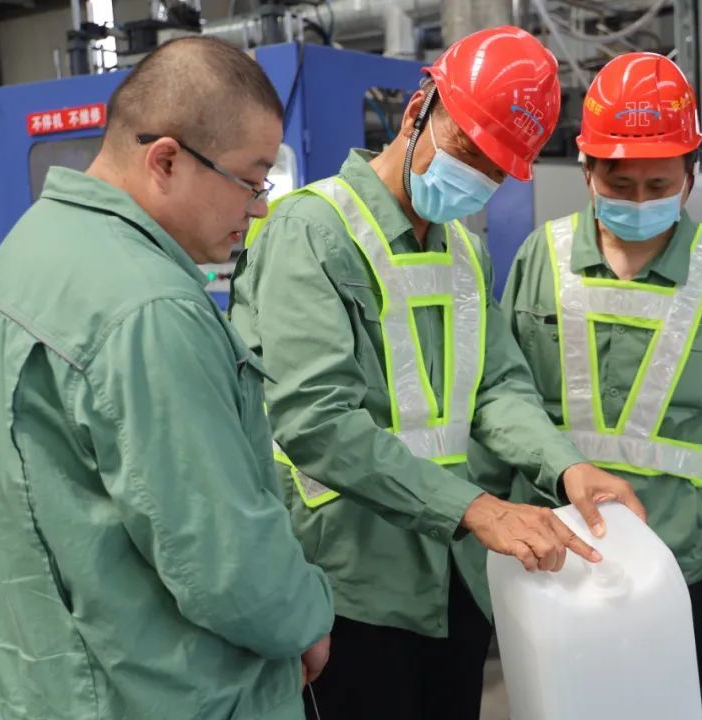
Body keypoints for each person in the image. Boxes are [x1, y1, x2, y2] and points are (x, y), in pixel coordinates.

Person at [228, 25, 644, 720]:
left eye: (494, 169)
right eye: (466, 149)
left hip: (457, 577)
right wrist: (477, 509)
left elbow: (496, 389)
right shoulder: (312, 233)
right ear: (419, 108)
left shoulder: (463, 251)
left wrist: (566, 466)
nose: (473, 177)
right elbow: (316, 422)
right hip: (352, 582)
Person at [0, 37, 334, 719]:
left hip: (58, 685)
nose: (259, 208)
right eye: (251, 180)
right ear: (166, 160)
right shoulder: (149, 309)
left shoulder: (25, 253)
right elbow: (224, 562)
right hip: (175, 693)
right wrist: (306, 618)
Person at [501, 52, 702, 686]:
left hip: (672, 555)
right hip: (553, 549)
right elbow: (499, 398)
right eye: (620, 185)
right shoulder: (540, 258)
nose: (639, 202)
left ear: (690, 176)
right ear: (587, 170)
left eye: (658, 186)